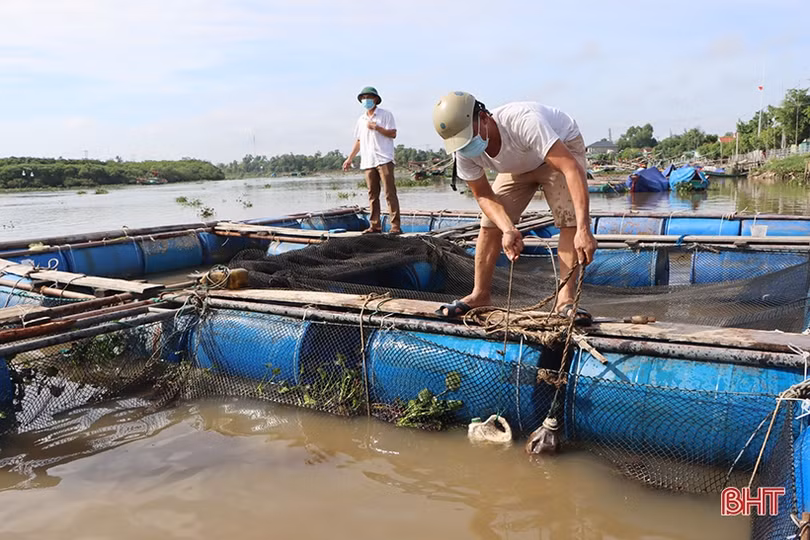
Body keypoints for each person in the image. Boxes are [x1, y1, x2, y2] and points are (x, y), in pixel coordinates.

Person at [432, 91, 598, 322]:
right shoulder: (464, 152)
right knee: (490, 225)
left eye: (469, 136)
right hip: (517, 166)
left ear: (485, 118)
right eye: (461, 141)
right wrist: (508, 229)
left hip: (559, 150)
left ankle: (565, 301)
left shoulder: (523, 122)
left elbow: (571, 168)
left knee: (568, 220)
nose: (468, 145)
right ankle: (480, 294)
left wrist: (584, 229)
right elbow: (483, 195)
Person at [342, 86, 401, 234]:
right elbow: (359, 141)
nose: (366, 100)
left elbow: (393, 133)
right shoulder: (361, 120)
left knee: (389, 193)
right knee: (372, 194)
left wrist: (377, 128)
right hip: (368, 161)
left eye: (368, 97)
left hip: (384, 159)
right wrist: (349, 158)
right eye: (363, 98)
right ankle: (375, 226)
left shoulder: (385, 115)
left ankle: (395, 226)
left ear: (375, 99)